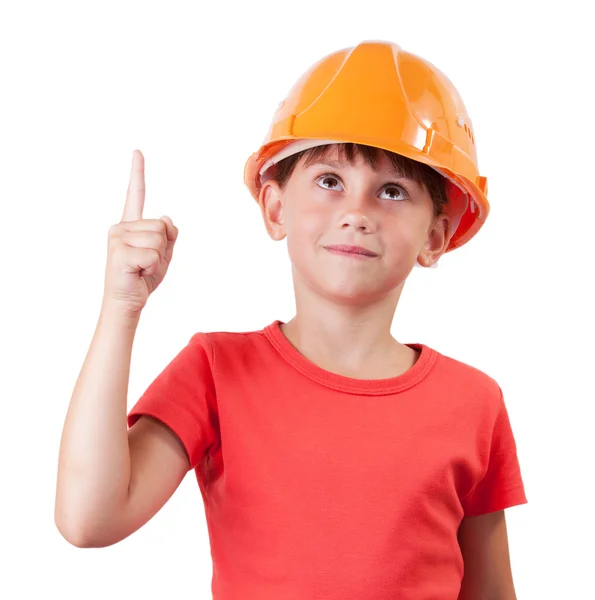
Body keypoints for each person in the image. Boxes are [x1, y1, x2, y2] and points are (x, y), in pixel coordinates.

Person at [55, 40, 528, 599]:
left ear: (435, 236)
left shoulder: (474, 402)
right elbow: (89, 519)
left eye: (393, 191)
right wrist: (120, 309)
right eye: (330, 181)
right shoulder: (214, 370)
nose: (356, 213)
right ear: (276, 208)